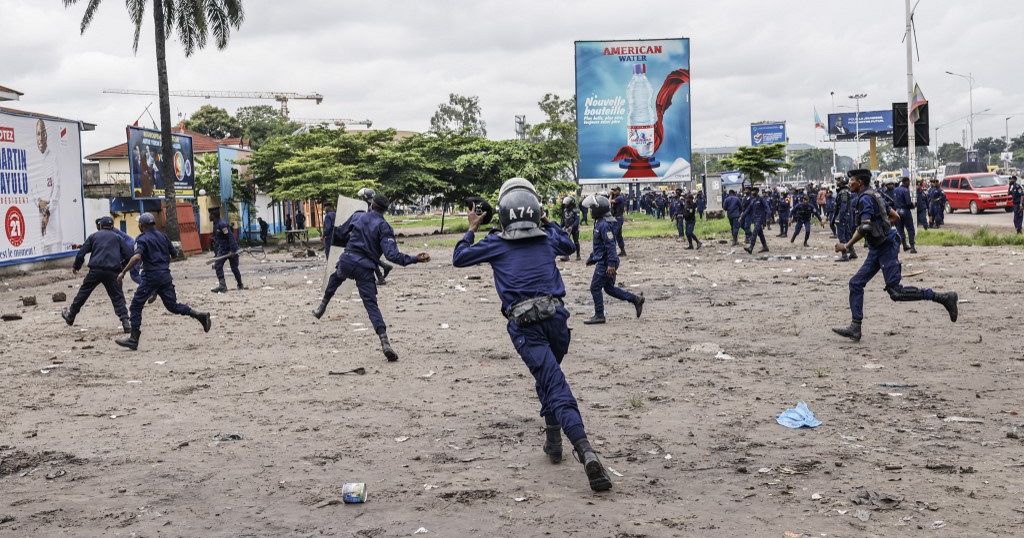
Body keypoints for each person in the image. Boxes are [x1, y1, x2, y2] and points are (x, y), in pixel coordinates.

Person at [452, 178, 613, 493]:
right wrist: (547, 221)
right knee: (548, 376)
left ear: (503, 214)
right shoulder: (547, 239)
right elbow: (568, 245)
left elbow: (459, 257)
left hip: (525, 326)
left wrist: (471, 227)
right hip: (557, 321)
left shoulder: (496, 242)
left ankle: (584, 449)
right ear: (536, 211)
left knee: (554, 384)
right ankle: (553, 440)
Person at [832, 170, 958, 341]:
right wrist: (883, 227)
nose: (849, 183)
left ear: (860, 182)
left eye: (852, 180)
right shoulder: (875, 194)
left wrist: (846, 246)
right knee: (856, 283)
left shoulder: (865, 199)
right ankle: (855, 327)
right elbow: (894, 216)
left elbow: (865, 227)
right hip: (879, 246)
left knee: (896, 292)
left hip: (886, 246)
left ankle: (944, 298)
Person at [312, 193, 429, 361]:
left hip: (347, 260)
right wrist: (415, 259)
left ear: (371, 204)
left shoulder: (358, 216)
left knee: (336, 276)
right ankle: (385, 342)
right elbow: (392, 256)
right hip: (365, 268)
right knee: (371, 305)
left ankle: (322, 306)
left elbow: (340, 236)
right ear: (385, 210)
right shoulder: (384, 226)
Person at [115, 213, 212, 350]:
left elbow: (136, 257)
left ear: (141, 226)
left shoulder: (141, 238)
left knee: (136, 305)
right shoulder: (163, 236)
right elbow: (174, 254)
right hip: (165, 275)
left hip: (151, 276)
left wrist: (123, 272)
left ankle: (133, 339)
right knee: (172, 306)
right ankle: (199, 315)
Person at [62, 216, 133, 333]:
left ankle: (70, 316)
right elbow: (129, 255)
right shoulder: (118, 237)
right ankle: (126, 323)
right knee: (117, 297)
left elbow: (81, 253)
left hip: (95, 270)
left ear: (100, 226)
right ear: (111, 226)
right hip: (112, 272)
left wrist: (76, 266)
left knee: (83, 293)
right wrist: (122, 267)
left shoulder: (93, 236)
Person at [581, 194, 644, 324]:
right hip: (606, 260)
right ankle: (635, 299)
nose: (591, 211)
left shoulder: (604, 225)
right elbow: (600, 246)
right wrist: (592, 258)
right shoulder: (599, 223)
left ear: (599, 210)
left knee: (595, 288)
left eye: (593, 208)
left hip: (607, 262)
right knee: (609, 289)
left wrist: (611, 264)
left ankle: (599, 315)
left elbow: (610, 245)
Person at [209, 208, 245, 293]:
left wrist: (233, 250)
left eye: (210, 215)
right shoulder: (216, 224)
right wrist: (216, 253)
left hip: (230, 249)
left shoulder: (222, 224)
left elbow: (230, 237)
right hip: (222, 249)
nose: (209, 216)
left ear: (214, 216)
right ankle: (222, 286)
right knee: (218, 265)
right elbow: (218, 240)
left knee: (234, 268)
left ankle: (240, 284)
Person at [833, 178, 857, 261]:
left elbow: (843, 206)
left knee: (842, 236)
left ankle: (844, 255)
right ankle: (852, 252)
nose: (837, 182)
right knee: (847, 235)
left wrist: (840, 217)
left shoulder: (843, 193)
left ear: (842, 183)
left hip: (843, 216)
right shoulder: (845, 191)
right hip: (846, 216)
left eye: (838, 181)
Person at [741, 187, 769, 254]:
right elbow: (747, 210)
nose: (752, 192)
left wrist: (768, 218)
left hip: (760, 219)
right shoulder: (752, 200)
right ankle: (765, 247)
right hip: (755, 219)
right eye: (752, 191)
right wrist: (742, 217)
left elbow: (767, 208)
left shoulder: (761, 199)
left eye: (754, 191)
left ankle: (751, 247)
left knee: (755, 232)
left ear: (757, 191)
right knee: (760, 234)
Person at [893, 176, 917, 253]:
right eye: (909, 182)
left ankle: (904, 245)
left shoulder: (895, 190)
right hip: (905, 211)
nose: (909, 184)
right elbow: (908, 203)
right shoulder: (905, 190)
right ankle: (912, 247)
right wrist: (913, 205)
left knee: (900, 230)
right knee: (910, 229)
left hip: (897, 211)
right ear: (906, 182)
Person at [559, 196, 581, 261]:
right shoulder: (564, 210)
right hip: (567, 228)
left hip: (575, 229)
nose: (565, 205)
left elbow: (577, 221)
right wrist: (560, 228)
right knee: (566, 241)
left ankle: (578, 255)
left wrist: (571, 227)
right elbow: (563, 220)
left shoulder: (576, 210)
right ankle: (566, 256)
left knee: (576, 242)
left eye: (567, 203)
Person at [609, 186, 627, 256]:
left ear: (619, 191)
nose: (614, 191)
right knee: (618, 236)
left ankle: (612, 252)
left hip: (618, 218)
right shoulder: (616, 197)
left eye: (615, 190)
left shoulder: (620, 197)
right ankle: (623, 251)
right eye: (613, 190)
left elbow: (609, 202)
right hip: (616, 218)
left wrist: (610, 195)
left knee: (613, 235)